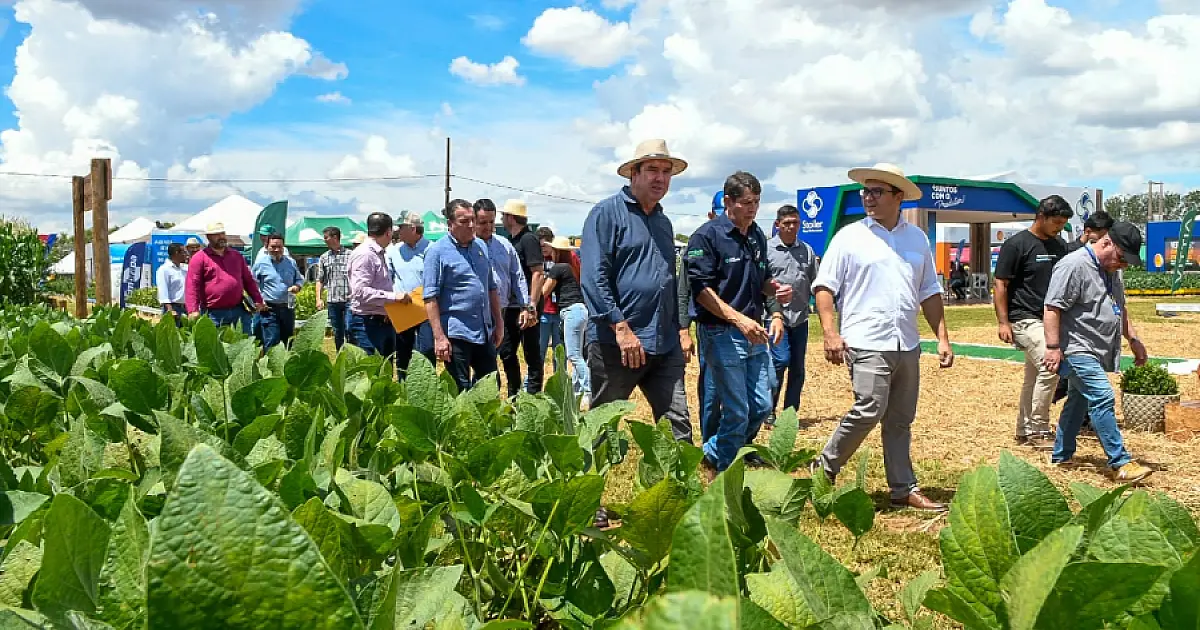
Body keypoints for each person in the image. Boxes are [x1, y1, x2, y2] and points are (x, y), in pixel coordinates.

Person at [813, 163, 953, 512]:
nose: (868, 198)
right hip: (865, 339)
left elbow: (929, 292)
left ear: (899, 197)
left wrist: (943, 337)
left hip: (906, 342)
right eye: (866, 192)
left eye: (876, 192)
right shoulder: (849, 237)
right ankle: (824, 468)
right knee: (869, 408)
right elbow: (825, 288)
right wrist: (830, 333)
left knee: (900, 419)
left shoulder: (917, 238)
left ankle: (903, 488)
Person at [582, 139, 693, 530]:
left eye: (666, 172)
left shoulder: (663, 222)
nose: (661, 179)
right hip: (618, 345)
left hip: (663, 345)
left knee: (678, 423)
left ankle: (683, 500)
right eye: (652, 171)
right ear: (634, 173)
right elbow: (594, 277)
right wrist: (621, 326)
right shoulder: (606, 214)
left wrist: (682, 327)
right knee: (601, 425)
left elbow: (672, 279)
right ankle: (586, 502)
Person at [687, 171, 792, 474]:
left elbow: (759, 280)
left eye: (757, 202)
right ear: (728, 201)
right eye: (746, 202)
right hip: (722, 332)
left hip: (753, 331)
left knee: (761, 405)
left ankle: (713, 450)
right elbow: (701, 291)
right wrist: (737, 319)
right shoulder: (706, 237)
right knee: (736, 409)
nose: (752, 208)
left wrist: (774, 290)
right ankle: (726, 473)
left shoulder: (756, 235)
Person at [1042, 222, 1154, 483]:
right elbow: (1052, 308)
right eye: (1121, 259)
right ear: (1106, 243)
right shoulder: (1074, 265)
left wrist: (1133, 339)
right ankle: (1121, 462)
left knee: (1078, 400)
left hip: (1097, 348)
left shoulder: (1112, 269)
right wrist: (1052, 347)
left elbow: (1119, 307)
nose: (1122, 265)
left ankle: (1061, 455)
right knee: (1102, 396)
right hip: (1076, 347)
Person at [994, 195, 1073, 450]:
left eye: (1063, 223)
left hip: (1049, 321)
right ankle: (1039, 429)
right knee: (1051, 366)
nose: (1060, 227)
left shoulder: (1059, 246)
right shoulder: (1017, 245)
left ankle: (1023, 430)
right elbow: (1000, 284)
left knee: (1034, 376)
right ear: (1041, 217)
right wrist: (1003, 322)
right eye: (1057, 222)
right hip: (1023, 319)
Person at [425, 199, 504, 392]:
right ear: (450, 224)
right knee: (460, 388)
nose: (471, 225)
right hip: (456, 333)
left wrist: (499, 323)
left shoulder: (480, 247)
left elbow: (491, 287)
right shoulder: (437, 252)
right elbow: (430, 298)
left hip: (483, 331)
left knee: (491, 386)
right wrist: (439, 337)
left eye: (472, 220)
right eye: (463, 221)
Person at [475, 199, 536, 396]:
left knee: (506, 355)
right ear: (473, 221)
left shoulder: (505, 245)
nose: (488, 227)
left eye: (492, 222)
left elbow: (517, 276)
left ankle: (515, 396)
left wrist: (526, 305)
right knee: (482, 360)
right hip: (474, 313)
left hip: (501, 310)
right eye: (483, 222)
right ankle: (484, 397)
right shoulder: (467, 246)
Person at [765, 204, 819, 421]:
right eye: (786, 223)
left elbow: (816, 280)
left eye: (795, 223)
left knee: (797, 367)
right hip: (775, 318)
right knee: (780, 361)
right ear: (778, 225)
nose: (791, 227)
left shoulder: (806, 251)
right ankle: (768, 409)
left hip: (800, 318)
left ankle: (790, 414)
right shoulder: (767, 249)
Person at [499, 199, 545, 395]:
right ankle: (514, 394)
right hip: (512, 305)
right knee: (507, 351)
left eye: (503, 215)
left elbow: (538, 273)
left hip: (526, 305)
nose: (501, 219)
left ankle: (533, 396)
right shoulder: (512, 240)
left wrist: (531, 305)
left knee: (531, 353)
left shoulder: (528, 239)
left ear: (510, 217)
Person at [348, 213, 409, 359]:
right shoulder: (365, 255)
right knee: (372, 373)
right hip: (367, 324)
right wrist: (394, 297)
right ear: (388, 232)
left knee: (383, 373)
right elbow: (360, 292)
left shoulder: (377, 253)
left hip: (380, 321)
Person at [186, 222, 265, 334]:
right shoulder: (199, 258)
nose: (221, 237)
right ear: (208, 237)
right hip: (213, 313)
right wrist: (192, 310)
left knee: (244, 345)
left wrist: (258, 300)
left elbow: (248, 280)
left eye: (222, 233)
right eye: (216, 234)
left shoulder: (236, 255)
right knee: (216, 348)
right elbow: (192, 285)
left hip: (238, 310)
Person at [386, 211, 436, 380]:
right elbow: (388, 277)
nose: (398, 231)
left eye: (402, 227)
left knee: (427, 351)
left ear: (413, 229)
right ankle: (403, 385)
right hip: (402, 309)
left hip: (425, 309)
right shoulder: (393, 251)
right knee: (402, 351)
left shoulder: (432, 249)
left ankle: (427, 384)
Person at [542, 236, 590, 407]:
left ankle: (588, 390)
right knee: (577, 353)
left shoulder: (558, 268)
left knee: (573, 355)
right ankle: (579, 391)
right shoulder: (573, 267)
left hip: (571, 312)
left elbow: (544, 292)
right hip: (581, 311)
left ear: (557, 252)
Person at [695, 191, 724, 444]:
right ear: (711, 213)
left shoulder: (746, 236)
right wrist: (683, 329)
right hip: (711, 325)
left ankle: (735, 442)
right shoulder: (702, 239)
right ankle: (710, 441)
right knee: (712, 388)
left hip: (745, 328)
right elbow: (687, 288)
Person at [252, 234, 304, 350]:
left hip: (287, 308)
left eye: (279, 247)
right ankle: (270, 367)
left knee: (287, 340)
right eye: (273, 247)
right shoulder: (261, 263)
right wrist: (259, 300)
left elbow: (299, 279)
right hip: (269, 309)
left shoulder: (291, 262)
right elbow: (252, 283)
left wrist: (297, 286)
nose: (276, 250)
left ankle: (284, 367)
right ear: (267, 246)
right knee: (272, 341)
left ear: (283, 247)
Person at [315, 226, 352, 350]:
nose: (324, 240)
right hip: (332, 300)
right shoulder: (324, 257)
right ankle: (340, 354)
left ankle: (353, 355)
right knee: (337, 331)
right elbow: (320, 279)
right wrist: (318, 298)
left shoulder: (351, 255)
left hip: (349, 299)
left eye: (326, 237)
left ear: (335, 237)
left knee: (349, 328)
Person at [536, 227, 565, 371]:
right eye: (541, 246)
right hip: (544, 311)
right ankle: (534, 383)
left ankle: (559, 380)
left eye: (547, 246)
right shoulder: (537, 261)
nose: (544, 249)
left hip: (558, 311)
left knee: (559, 352)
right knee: (539, 350)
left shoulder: (559, 260)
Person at [157, 242, 188, 326]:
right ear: (176, 253)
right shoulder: (164, 269)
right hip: (173, 308)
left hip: (185, 308)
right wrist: (170, 310)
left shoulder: (185, 268)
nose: (186, 254)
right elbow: (163, 290)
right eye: (184, 252)